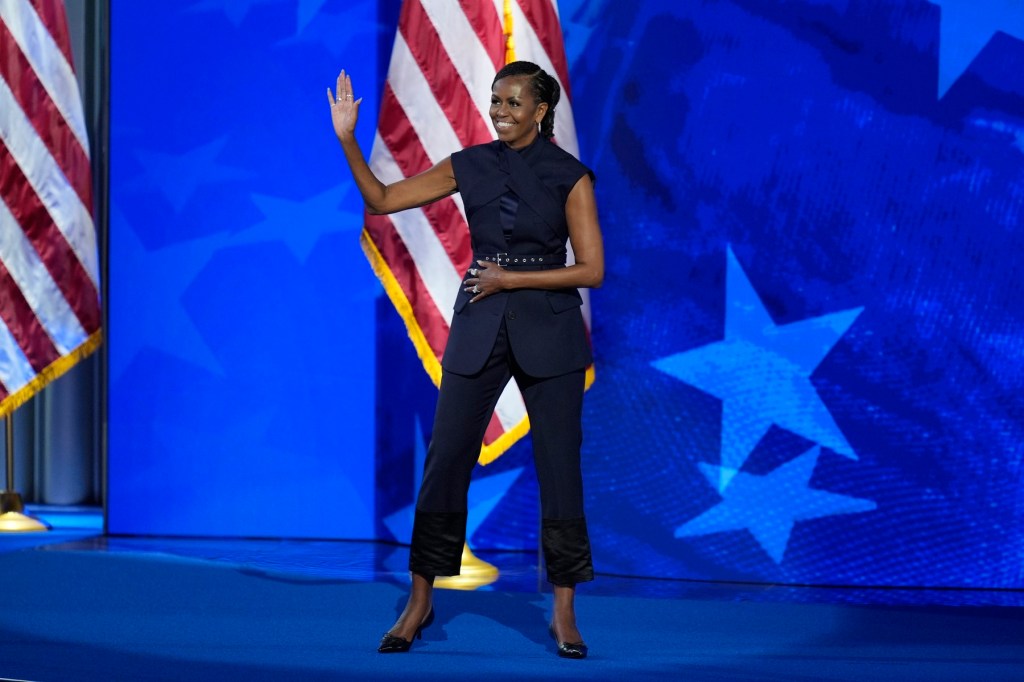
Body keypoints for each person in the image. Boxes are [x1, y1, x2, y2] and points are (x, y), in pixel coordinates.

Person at [328, 60, 604, 659]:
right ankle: (420, 600)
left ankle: (563, 612)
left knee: (560, 467)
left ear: (540, 111)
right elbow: (380, 200)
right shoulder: (469, 164)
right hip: (481, 322)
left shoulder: (570, 176)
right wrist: (349, 138)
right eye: (494, 101)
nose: (499, 112)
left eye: (512, 103)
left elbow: (592, 270)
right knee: (446, 458)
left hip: (549, 330)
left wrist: (512, 281)